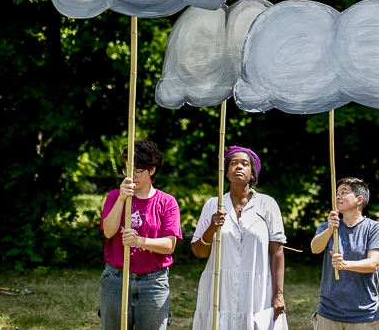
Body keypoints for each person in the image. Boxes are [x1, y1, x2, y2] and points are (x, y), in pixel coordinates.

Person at [191, 146, 286, 330]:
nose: (239, 167)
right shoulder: (213, 204)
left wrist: (278, 294)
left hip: (256, 290)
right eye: (233, 163)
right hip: (219, 289)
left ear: (252, 174)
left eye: (245, 164)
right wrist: (211, 229)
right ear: (226, 173)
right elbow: (199, 252)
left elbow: (277, 251)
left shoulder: (267, 205)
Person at [99, 140, 182, 330]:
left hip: (153, 282)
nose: (131, 176)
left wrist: (139, 241)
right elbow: (109, 232)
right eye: (127, 170)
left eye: (137, 171)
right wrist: (122, 198)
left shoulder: (167, 202)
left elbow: (169, 245)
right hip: (115, 279)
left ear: (152, 170)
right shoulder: (114, 196)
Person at [311, 177, 379, 330]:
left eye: (344, 192)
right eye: (337, 193)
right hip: (329, 312)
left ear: (359, 199)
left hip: (363, 314)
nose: (338, 196)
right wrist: (329, 230)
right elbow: (315, 248)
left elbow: (373, 264)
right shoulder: (328, 226)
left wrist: (344, 265)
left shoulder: (374, 228)